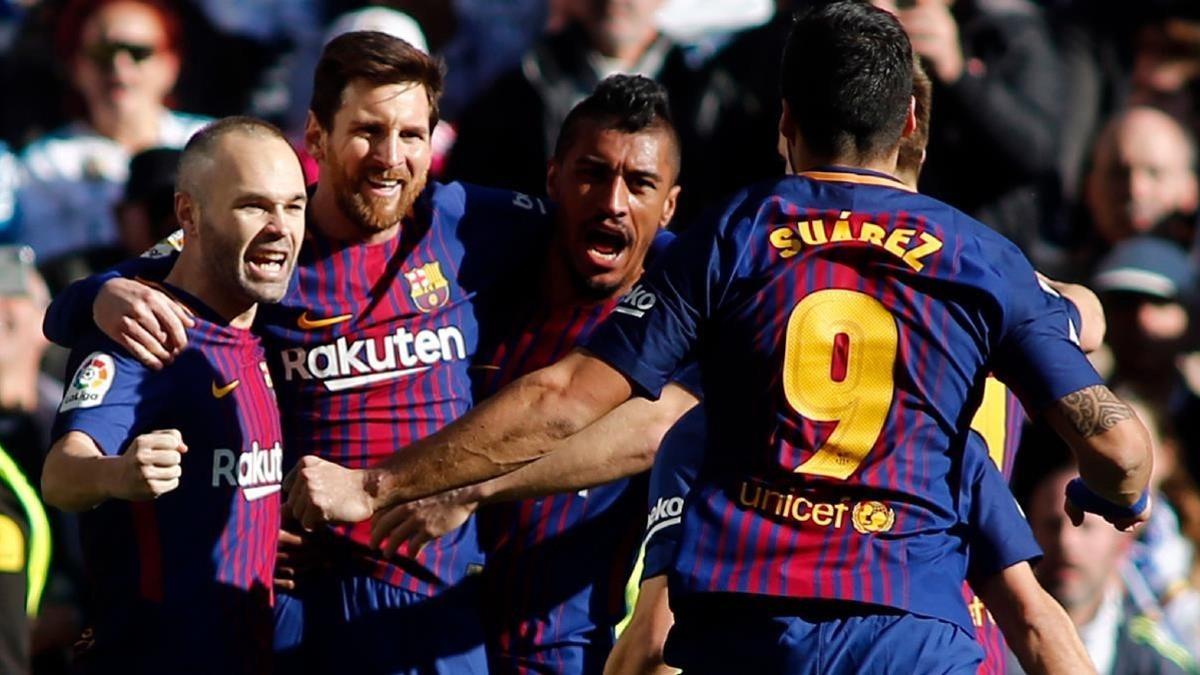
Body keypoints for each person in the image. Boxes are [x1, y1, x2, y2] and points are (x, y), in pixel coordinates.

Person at [285, 3, 1152, 672]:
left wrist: (378, 483)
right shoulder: (985, 265)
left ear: (783, 124)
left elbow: (566, 399)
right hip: (910, 632)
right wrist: (1111, 493)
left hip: (750, 631)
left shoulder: (737, 237)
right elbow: (1114, 442)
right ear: (911, 127)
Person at [41, 31, 555, 675]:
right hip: (298, 606)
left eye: (412, 134)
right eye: (368, 130)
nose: (390, 157)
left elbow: (623, 243)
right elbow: (111, 298)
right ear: (316, 135)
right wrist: (95, 295)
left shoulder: (471, 223)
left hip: (434, 605)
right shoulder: (265, 246)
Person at [372, 74, 699, 675]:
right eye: (592, 173)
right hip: (403, 635)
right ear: (553, 179)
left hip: (563, 654)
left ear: (669, 206)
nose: (612, 202)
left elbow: (653, 430)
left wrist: (466, 483)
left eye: (640, 184)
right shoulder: (477, 251)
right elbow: (335, 226)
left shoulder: (688, 301)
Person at [39, 116, 305, 674]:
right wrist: (118, 474)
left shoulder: (260, 309)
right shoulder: (143, 329)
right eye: (253, 205)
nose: (280, 227)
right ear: (189, 215)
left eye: (294, 205)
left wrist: (251, 532)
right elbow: (61, 475)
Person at [15, 0, 208, 264]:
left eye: (138, 52)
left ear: (171, 63)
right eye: (102, 53)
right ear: (75, 65)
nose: (119, 68)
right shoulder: (44, 165)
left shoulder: (212, 142)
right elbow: (40, 263)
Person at [1019, 432, 1197, 675]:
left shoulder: (1159, 663)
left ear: (1123, 541)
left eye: (1085, 527)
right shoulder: (987, 640)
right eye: (1052, 524)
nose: (1066, 541)